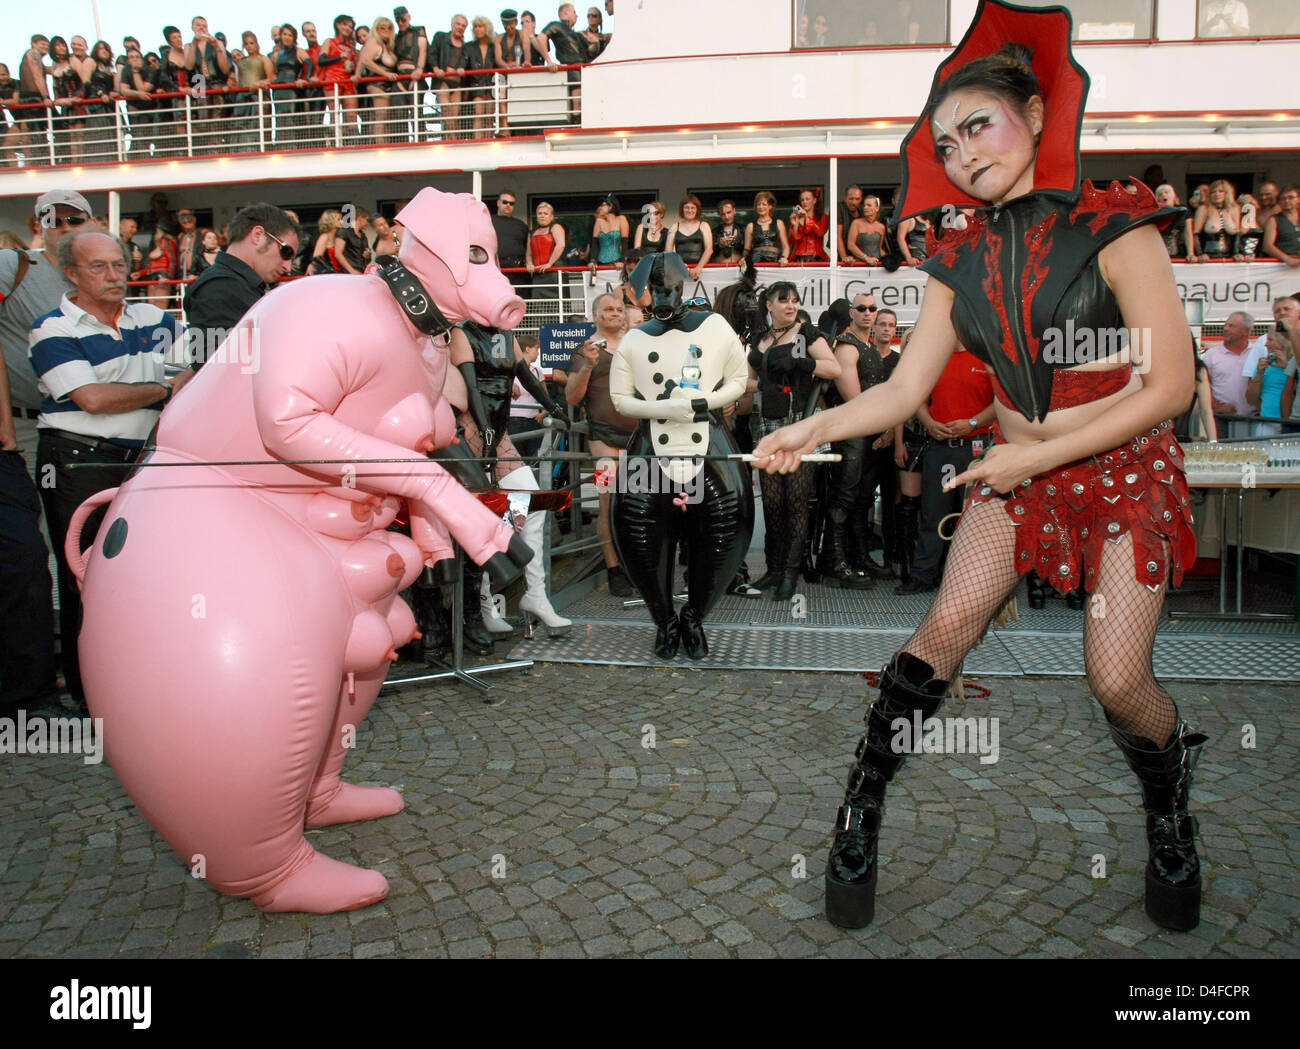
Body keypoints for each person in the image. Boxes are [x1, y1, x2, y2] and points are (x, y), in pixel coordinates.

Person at [755, 0, 1205, 934]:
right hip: (1016, 471)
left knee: (1118, 681)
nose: (962, 155)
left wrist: (1025, 459)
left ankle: (1169, 803)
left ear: (1036, 116)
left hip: (1123, 472)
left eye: (978, 127)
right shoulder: (954, 262)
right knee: (946, 626)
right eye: (947, 144)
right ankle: (860, 807)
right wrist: (814, 425)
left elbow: (1167, 388)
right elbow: (900, 392)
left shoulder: (1120, 229)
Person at [30, 230, 192, 709]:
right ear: (71, 273)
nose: (114, 275)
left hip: (143, 461)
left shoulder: (156, 317)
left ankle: (146, 686)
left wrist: (130, 383)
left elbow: (193, 375)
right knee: (87, 577)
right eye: (97, 267)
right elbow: (91, 399)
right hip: (78, 460)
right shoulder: (52, 327)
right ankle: (92, 697)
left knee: (149, 574)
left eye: (118, 264)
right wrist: (159, 387)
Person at [607, 253, 752, 658]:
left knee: (727, 527)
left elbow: (738, 379)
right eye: (658, 289)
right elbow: (621, 400)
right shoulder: (635, 339)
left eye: (671, 287)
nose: (665, 296)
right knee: (637, 534)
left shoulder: (715, 326)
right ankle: (663, 619)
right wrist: (663, 409)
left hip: (709, 442)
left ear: (684, 284)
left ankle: (696, 616)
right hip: (650, 447)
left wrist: (703, 403)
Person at [448, 320, 571, 640]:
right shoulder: (463, 332)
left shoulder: (505, 335)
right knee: (483, 514)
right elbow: (471, 385)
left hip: (497, 430)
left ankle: (536, 595)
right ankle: (485, 604)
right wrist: (486, 430)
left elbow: (526, 376)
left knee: (533, 503)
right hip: (472, 429)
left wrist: (552, 405)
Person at [748, 281, 841, 598]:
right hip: (766, 426)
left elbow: (834, 368)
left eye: (795, 300)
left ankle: (790, 574)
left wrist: (802, 362)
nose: (790, 305)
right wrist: (752, 389)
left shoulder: (806, 334)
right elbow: (749, 382)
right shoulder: (759, 338)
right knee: (773, 504)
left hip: (800, 423)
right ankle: (773, 571)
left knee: (797, 503)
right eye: (783, 300)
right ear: (769, 305)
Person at [892, 339, 994, 595]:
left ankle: (969, 580)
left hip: (977, 447)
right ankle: (922, 575)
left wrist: (972, 422)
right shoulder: (935, 359)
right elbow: (918, 400)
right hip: (940, 448)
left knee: (973, 517)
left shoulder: (985, 355)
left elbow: (1002, 402)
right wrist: (929, 423)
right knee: (932, 512)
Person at [565, 292, 636, 596]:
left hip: (638, 438)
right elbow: (571, 397)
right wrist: (587, 367)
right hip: (603, 438)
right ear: (595, 315)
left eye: (619, 309)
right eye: (608, 309)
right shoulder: (585, 351)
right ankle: (613, 569)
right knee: (608, 503)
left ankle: (635, 564)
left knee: (636, 502)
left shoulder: (636, 346)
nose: (616, 313)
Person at [182, 204, 298, 369]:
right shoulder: (219, 287)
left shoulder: (237, 285)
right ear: (258, 235)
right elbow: (216, 370)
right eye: (286, 253)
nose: (287, 266)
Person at [317, 14, 360, 142]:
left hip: (348, 80)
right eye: (345, 24)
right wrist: (339, 57)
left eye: (350, 26)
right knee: (334, 114)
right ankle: (334, 143)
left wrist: (353, 65)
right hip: (332, 80)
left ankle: (352, 143)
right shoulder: (329, 41)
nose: (348, 28)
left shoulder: (352, 48)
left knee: (352, 115)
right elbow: (321, 60)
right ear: (338, 25)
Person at [429, 14, 469, 138]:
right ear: (452, 24)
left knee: (455, 115)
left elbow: (467, 62)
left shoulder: (466, 46)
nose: (460, 27)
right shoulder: (440, 37)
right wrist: (436, 68)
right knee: (446, 111)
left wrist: (463, 69)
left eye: (463, 25)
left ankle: (452, 138)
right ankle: (448, 139)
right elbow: (432, 54)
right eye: (458, 24)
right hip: (443, 81)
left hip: (457, 83)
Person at [526, 200, 565, 301]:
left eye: (545, 213)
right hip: (538, 274)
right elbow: (529, 253)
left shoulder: (556, 227)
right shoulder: (532, 232)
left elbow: (561, 245)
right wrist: (529, 264)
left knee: (556, 303)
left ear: (551, 216)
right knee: (537, 303)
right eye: (539, 213)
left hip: (553, 273)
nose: (542, 216)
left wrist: (550, 263)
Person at [665, 194, 713, 279]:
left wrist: (699, 267)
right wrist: (679, 265)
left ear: (697, 210)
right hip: (679, 270)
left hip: (701, 271)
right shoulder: (674, 227)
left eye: (693, 208)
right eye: (687, 207)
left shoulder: (704, 226)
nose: (690, 210)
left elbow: (709, 250)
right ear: (682, 209)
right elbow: (668, 252)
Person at [1192, 179, 1240, 261]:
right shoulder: (1204, 209)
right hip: (1208, 257)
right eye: (1213, 192)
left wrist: (1237, 253)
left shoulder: (1234, 209)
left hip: (1229, 258)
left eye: (1220, 191)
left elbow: (1238, 234)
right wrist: (1200, 254)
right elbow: (1195, 233)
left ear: (1226, 193)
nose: (1217, 194)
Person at [491, 190, 529, 290]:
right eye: (505, 202)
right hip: (495, 269)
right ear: (498, 203)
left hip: (518, 271)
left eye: (511, 203)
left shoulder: (521, 225)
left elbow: (528, 247)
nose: (508, 205)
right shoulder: (487, 221)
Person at [588, 194, 629, 276]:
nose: (600, 208)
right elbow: (594, 244)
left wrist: (623, 261)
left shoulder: (621, 219)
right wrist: (593, 261)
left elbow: (625, 243)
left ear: (610, 207)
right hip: (600, 262)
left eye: (603, 205)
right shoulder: (599, 221)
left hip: (617, 262)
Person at [744, 191, 788, 265]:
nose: (761, 207)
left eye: (764, 204)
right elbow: (746, 250)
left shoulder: (779, 223)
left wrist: (784, 258)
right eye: (758, 204)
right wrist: (744, 259)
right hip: (756, 262)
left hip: (775, 262)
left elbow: (786, 247)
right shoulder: (750, 226)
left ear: (770, 206)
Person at [1260, 185, 1300, 267]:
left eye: (1291, 197)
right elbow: (1267, 246)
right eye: (1283, 198)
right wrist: (1287, 259)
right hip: (1283, 265)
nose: (1287, 201)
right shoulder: (1274, 220)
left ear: (1298, 199)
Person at [788, 189, 829, 263]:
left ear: (814, 200)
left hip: (817, 257)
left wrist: (806, 217)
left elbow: (820, 233)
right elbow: (793, 241)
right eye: (802, 200)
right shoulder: (798, 217)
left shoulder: (823, 217)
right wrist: (795, 224)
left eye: (807, 199)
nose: (804, 202)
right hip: (798, 257)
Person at [846, 194, 888, 265]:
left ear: (877, 208)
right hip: (861, 263)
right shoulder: (856, 223)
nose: (865, 208)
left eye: (869, 205)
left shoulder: (881, 227)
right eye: (864, 205)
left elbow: (879, 248)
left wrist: (888, 258)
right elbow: (851, 245)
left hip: (877, 262)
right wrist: (866, 258)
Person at [712, 200, 744, 264]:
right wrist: (720, 244)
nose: (726, 217)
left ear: (734, 211)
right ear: (719, 215)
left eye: (729, 212)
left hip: (739, 268)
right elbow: (709, 251)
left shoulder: (743, 230)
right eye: (723, 214)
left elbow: (748, 250)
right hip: (718, 268)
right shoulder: (714, 232)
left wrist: (736, 241)